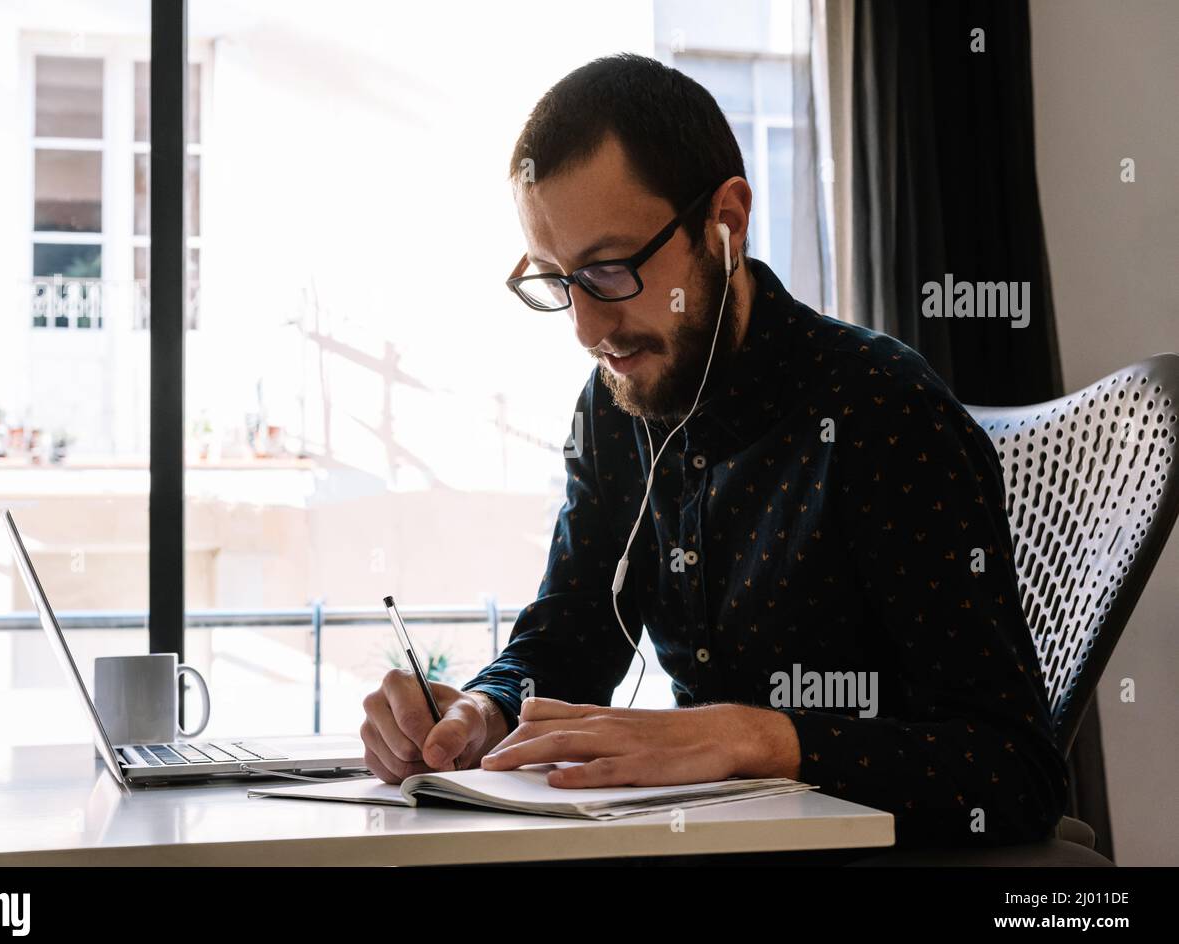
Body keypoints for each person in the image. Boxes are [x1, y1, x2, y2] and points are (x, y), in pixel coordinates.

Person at [360, 53, 1067, 849]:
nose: (589, 332)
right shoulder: (617, 401)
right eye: (559, 282)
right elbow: (578, 630)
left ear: (725, 221)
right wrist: (480, 711)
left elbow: (1015, 772)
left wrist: (755, 739)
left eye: (611, 270)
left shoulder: (883, 410)